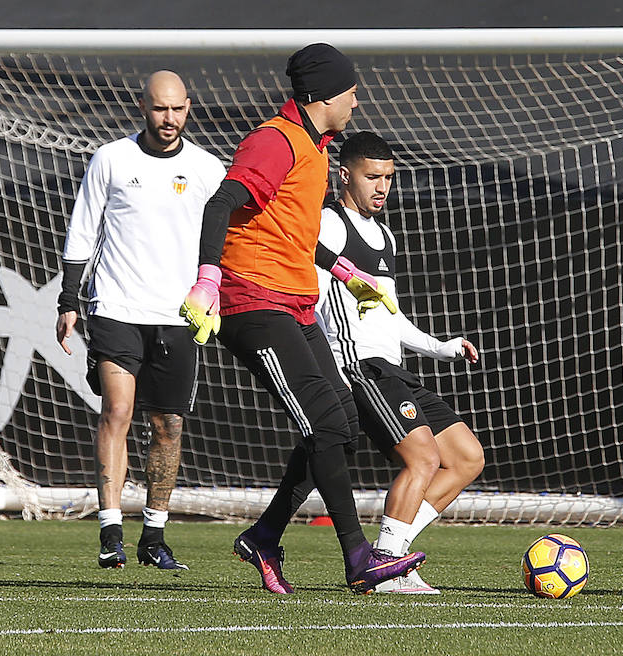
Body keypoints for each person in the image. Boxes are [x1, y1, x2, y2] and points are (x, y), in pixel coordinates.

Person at [180, 43, 424, 595]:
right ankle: (360, 558)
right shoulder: (276, 141)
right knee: (325, 424)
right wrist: (207, 280)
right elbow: (220, 206)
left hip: (294, 305)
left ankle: (265, 537)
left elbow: (291, 233)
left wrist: (344, 271)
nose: (357, 103)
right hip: (253, 304)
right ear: (326, 94)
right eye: (353, 92)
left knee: (339, 425)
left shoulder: (315, 149)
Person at [56, 71, 227, 570]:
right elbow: (82, 230)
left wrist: (217, 293)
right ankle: (111, 532)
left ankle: (154, 536)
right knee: (118, 411)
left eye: (176, 109)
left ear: (188, 107)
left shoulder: (207, 169)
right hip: (115, 306)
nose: (168, 118)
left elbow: (227, 240)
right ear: (142, 107)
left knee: (168, 424)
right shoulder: (111, 158)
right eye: (159, 109)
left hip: (177, 315)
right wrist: (69, 300)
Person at [315, 131, 485, 594]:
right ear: (344, 175)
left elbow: (393, 318)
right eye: (373, 177)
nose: (382, 187)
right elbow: (308, 296)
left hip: (393, 367)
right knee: (423, 458)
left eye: (389, 177)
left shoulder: (385, 234)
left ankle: (391, 554)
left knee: (467, 458)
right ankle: (388, 562)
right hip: (359, 367)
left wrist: (441, 347)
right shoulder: (329, 226)